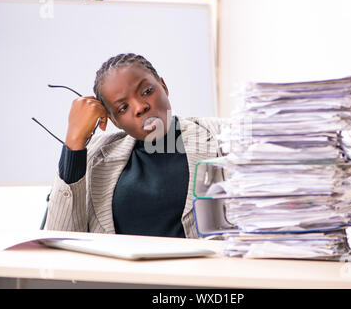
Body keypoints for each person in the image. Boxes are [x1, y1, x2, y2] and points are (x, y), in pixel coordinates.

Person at [44, 53, 224, 238]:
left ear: (163, 86)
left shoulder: (224, 136)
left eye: (147, 91)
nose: (140, 107)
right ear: (114, 121)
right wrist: (74, 142)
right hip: (119, 268)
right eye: (123, 108)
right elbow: (60, 240)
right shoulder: (92, 156)